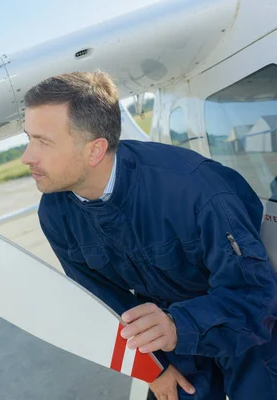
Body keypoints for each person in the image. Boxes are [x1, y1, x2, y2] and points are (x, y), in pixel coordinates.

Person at [20, 70, 277, 400]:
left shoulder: (196, 191)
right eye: (29, 138)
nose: (27, 156)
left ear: (95, 150)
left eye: (43, 142)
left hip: (248, 328)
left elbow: (255, 295)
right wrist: (152, 368)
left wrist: (177, 326)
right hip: (166, 337)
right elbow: (103, 303)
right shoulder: (55, 212)